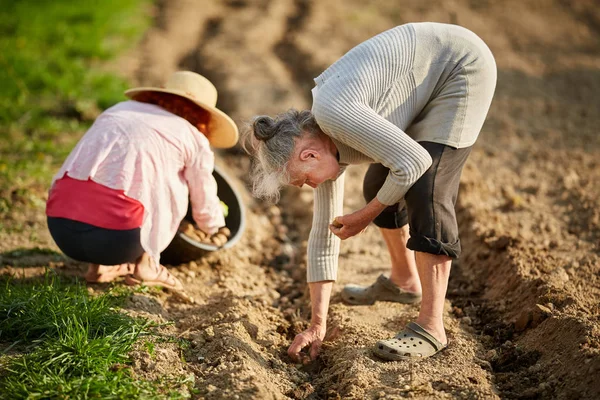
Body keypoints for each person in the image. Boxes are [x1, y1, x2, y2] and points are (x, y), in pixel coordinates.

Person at [243, 22, 496, 361]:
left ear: (308, 155)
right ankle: (405, 280)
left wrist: (364, 216)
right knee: (379, 184)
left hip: (459, 67)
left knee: (426, 188)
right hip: (424, 84)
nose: (308, 187)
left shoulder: (335, 115)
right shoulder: (325, 143)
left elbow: (414, 162)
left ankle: (432, 326)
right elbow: (323, 233)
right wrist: (318, 324)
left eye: (302, 180)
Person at [46, 71, 238, 294]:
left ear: (161, 96)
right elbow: (203, 198)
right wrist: (214, 227)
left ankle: (97, 268)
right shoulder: (193, 138)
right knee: (159, 181)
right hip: (117, 241)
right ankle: (147, 265)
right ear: (205, 118)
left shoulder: (118, 110)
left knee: (111, 173)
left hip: (60, 227)